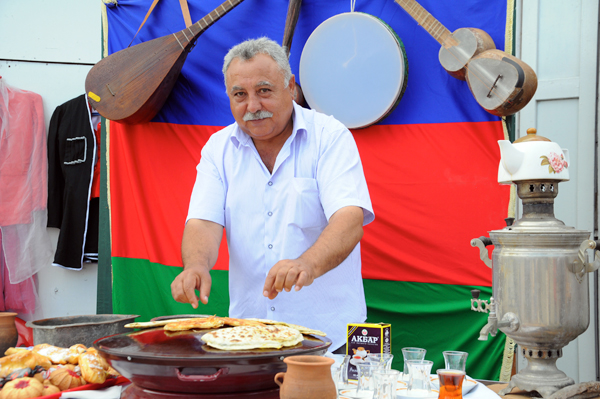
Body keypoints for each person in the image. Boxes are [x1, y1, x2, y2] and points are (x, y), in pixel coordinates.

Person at [170, 37, 374, 351]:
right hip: (248, 336)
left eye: (264, 91)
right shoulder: (218, 149)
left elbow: (349, 220)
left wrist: (307, 264)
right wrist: (195, 266)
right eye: (240, 95)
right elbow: (203, 222)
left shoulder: (330, 137)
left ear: (291, 87)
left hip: (329, 339)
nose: (252, 106)